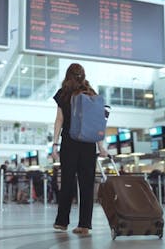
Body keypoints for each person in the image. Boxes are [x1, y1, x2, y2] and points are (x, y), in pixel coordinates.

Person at [51, 63, 108, 236]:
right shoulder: (91, 93)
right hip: (89, 144)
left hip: (70, 142)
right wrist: (101, 146)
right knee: (87, 184)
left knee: (67, 182)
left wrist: (54, 145)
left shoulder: (63, 94)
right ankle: (84, 225)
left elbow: (59, 120)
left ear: (68, 75)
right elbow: (97, 122)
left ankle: (62, 222)